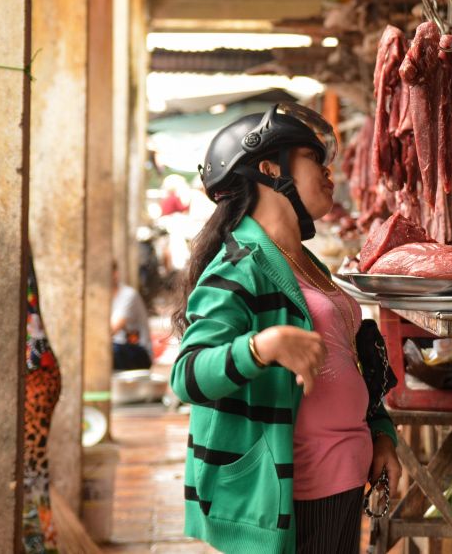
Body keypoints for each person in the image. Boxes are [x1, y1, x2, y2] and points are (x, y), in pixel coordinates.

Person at [170, 103, 400, 553]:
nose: (330, 172)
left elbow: (350, 361)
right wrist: (260, 347)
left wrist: (381, 433)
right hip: (291, 494)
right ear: (270, 168)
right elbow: (188, 374)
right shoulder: (238, 268)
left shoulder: (307, 265)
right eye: (314, 158)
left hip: (341, 482)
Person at [23, 247, 61, 553]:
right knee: (34, 473)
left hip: (34, 372)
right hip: (38, 367)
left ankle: (41, 545)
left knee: (31, 473)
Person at [111, 261, 153, 370]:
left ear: (115, 273)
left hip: (139, 353)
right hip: (119, 350)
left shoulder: (128, 295)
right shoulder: (101, 298)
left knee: (110, 350)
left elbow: (112, 329)